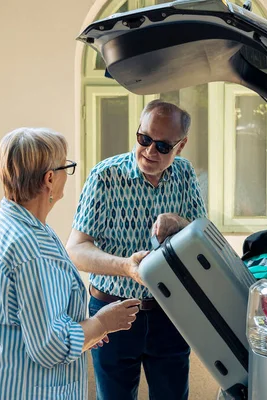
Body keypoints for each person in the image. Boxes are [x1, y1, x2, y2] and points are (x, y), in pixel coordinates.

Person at [0, 127, 140, 399]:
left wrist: (88, 330)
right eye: (66, 167)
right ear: (49, 179)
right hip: (25, 390)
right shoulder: (32, 249)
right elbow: (51, 347)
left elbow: (22, 320)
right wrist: (104, 322)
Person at [67, 100, 208, 400]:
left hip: (170, 312)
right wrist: (126, 267)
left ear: (181, 146)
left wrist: (180, 223)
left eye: (162, 146)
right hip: (112, 310)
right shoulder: (105, 177)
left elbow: (203, 241)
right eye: (144, 139)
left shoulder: (185, 175)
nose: (149, 151)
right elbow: (76, 250)